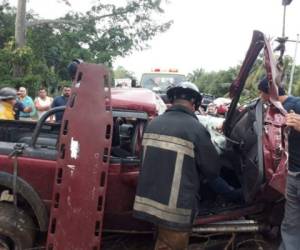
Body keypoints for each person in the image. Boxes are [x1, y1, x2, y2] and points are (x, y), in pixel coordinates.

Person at [133, 82, 222, 250]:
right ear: (194, 103)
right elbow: (212, 170)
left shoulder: (153, 124)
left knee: (161, 241)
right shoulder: (195, 128)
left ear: (172, 100)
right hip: (175, 209)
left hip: (149, 201)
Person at [258, 77, 300, 250]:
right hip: (292, 174)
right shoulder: (276, 111)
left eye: (261, 93)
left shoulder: (296, 104)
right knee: (291, 222)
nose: (260, 97)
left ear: (268, 94)